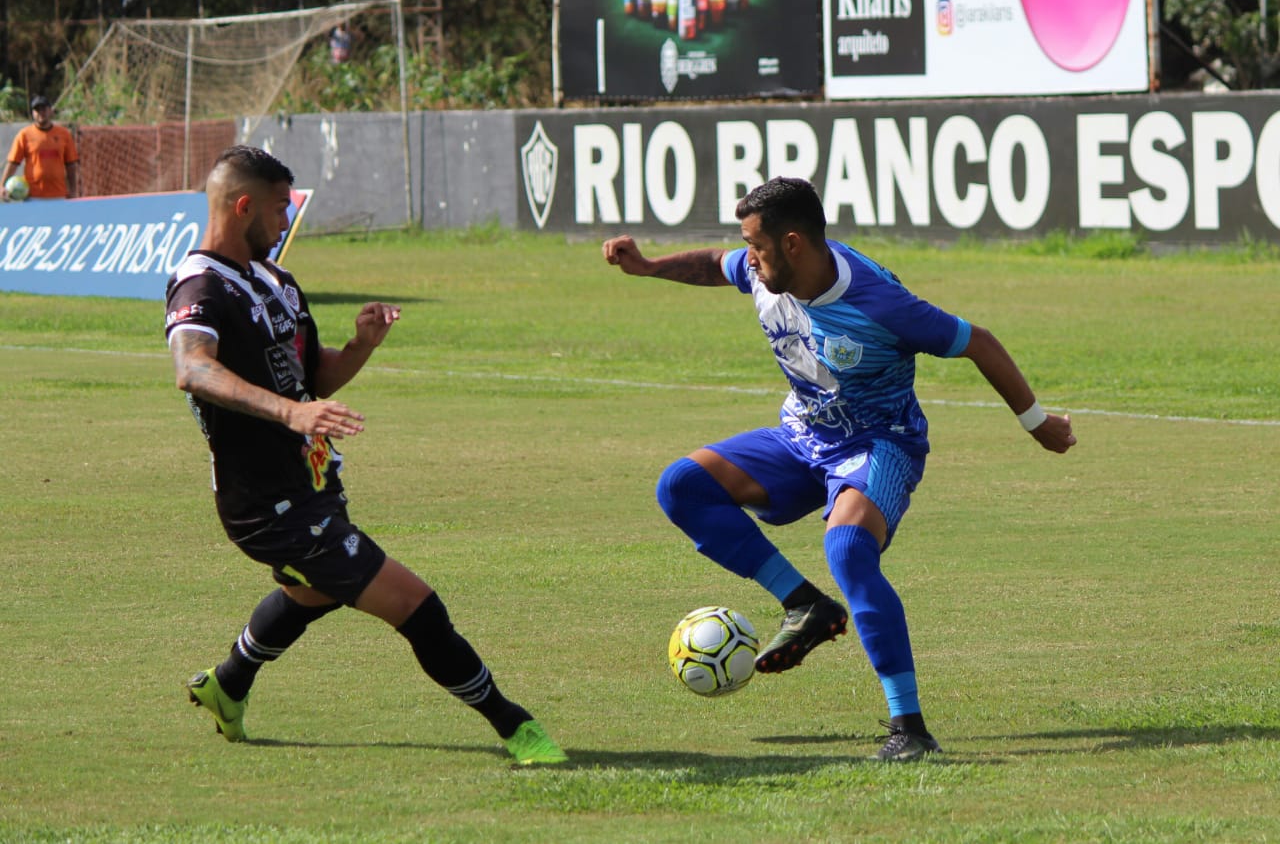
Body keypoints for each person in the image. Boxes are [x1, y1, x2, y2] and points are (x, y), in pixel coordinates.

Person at [602, 177, 1075, 761]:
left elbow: (978, 341)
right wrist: (647, 267)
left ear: (794, 243)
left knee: (848, 549)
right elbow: (712, 266)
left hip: (880, 442)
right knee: (683, 485)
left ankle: (910, 729)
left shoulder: (878, 303)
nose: (747, 257)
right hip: (802, 437)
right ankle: (805, 604)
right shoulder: (763, 268)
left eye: (755, 244)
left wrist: (1036, 423)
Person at [165, 145, 566, 766]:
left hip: (311, 483)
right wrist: (289, 413)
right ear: (242, 206)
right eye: (278, 211)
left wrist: (361, 346)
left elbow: (313, 379)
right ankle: (516, 727)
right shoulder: (200, 285)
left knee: (312, 594)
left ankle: (228, 683)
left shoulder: (278, 281)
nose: (285, 225)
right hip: (265, 503)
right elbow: (193, 369)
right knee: (414, 605)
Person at [2, 95, 79, 200]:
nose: (41, 113)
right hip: (33, 196)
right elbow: (13, 162)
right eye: (37, 110)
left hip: (59, 195)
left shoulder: (64, 134)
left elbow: (71, 165)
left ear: (50, 111)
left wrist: (73, 190)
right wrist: (2, 185)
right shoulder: (24, 135)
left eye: (44, 109)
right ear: (33, 113)